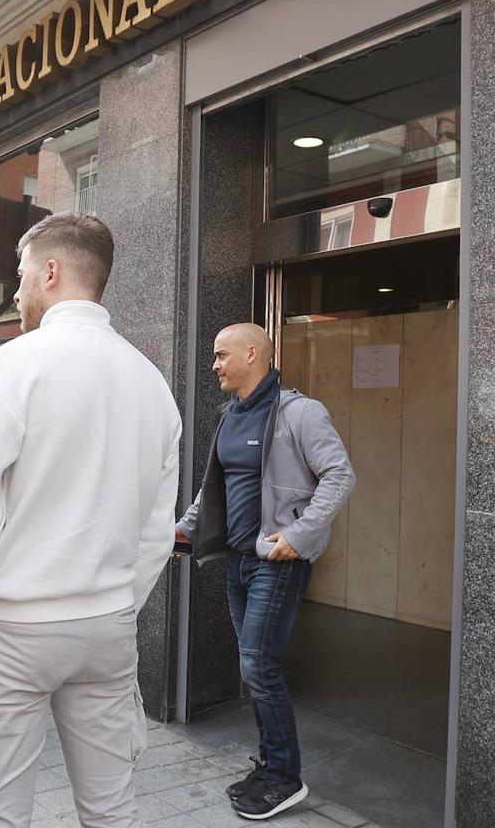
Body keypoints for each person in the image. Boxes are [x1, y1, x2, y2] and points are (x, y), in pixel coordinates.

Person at [0, 213, 182, 827]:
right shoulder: (152, 382)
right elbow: (154, 532)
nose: (16, 291)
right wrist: (117, 599)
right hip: (109, 626)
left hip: (16, 625)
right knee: (113, 808)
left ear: (52, 271)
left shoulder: (14, 365)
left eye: (20, 275)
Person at [175, 322, 354, 821]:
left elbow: (340, 475)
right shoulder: (230, 415)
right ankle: (271, 764)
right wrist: (183, 531)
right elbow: (215, 486)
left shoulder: (300, 412)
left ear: (252, 353)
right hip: (238, 563)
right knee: (253, 667)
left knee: (259, 666)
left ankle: (285, 777)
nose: (213, 365)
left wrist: (297, 536)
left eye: (219, 355)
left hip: (277, 564)